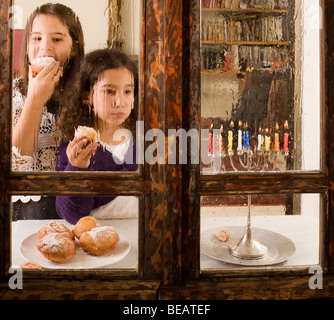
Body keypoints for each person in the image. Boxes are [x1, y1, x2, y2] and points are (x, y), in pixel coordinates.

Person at [11, 3, 84, 220]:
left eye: (57, 39)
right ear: (27, 46)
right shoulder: (10, 94)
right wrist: (35, 98)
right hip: (22, 216)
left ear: (75, 48)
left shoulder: (88, 96)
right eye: (36, 38)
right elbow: (15, 167)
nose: (45, 47)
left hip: (72, 211)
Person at [55, 48, 139, 224]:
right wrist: (77, 169)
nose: (120, 102)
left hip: (142, 235)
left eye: (128, 91)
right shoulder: (75, 146)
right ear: (87, 96)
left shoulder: (145, 139)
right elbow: (71, 214)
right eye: (109, 91)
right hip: (97, 238)